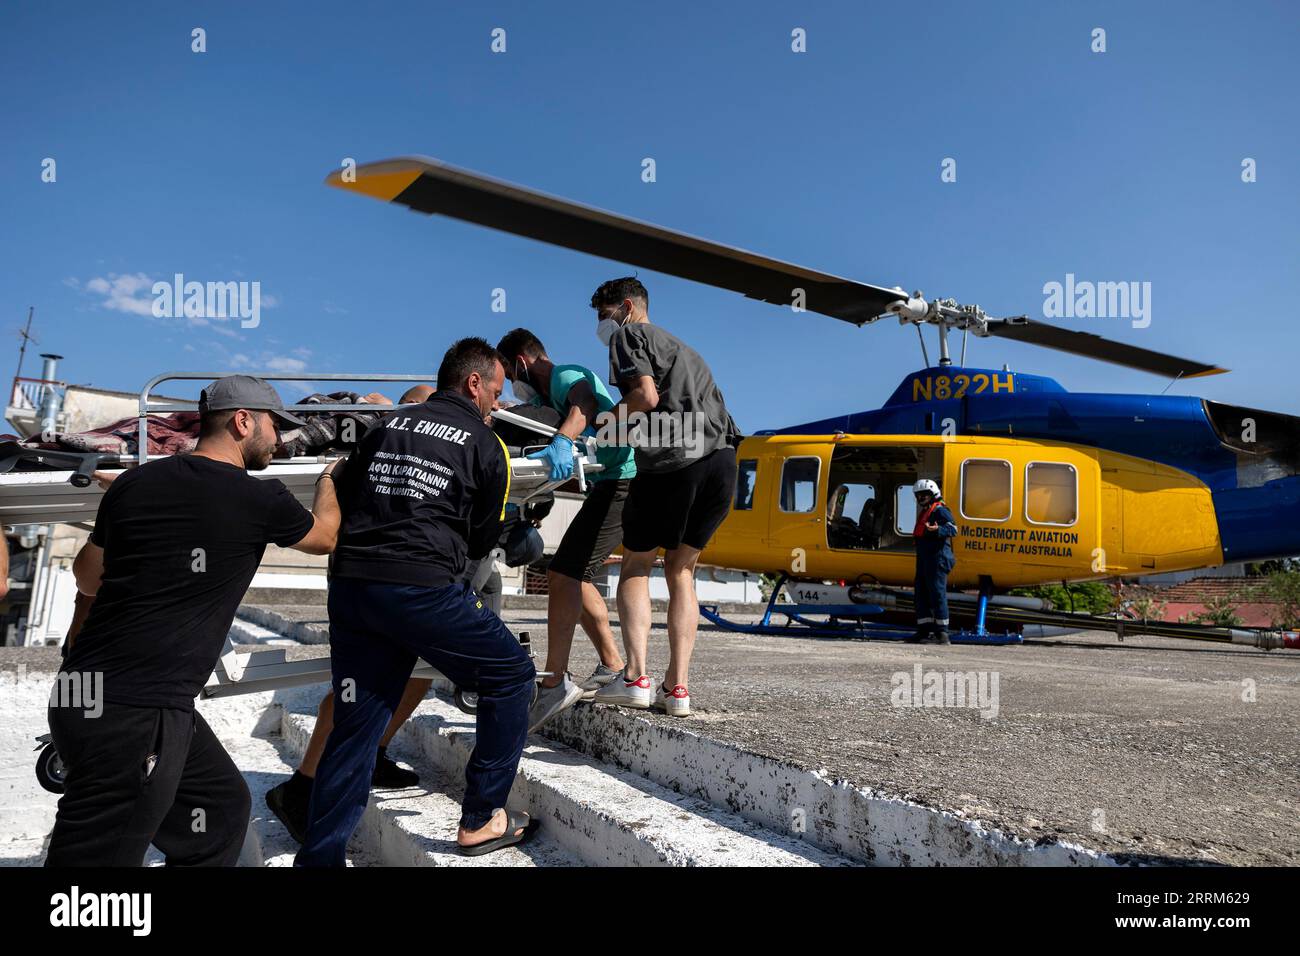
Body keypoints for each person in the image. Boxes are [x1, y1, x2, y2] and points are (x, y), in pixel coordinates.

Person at [45, 375, 341, 866]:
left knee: (219, 810)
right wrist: (330, 479)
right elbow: (326, 536)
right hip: (137, 714)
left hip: (88, 695)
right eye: (273, 426)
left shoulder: (136, 482)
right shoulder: (259, 499)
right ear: (244, 422)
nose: (279, 439)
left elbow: (87, 576)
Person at [296, 338, 537, 864]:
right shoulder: (486, 442)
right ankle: (480, 818)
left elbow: (343, 483)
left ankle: (319, 857)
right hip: (422, 587)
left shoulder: (386, 425)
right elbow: (479, 543)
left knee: (357, 725)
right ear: (474, 384)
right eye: (496, 391)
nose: (497, 403)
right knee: (512, 675)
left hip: (353, 587)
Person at [265, 384, 438, 843]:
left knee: (417, 675)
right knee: (359, 687)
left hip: (412, 570)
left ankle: (374, 752)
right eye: (423, 407)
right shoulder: (377, 440)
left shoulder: (418, 453)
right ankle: (302, 789)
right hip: (373, 575)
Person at [590, 277, 739, 717]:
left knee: (637, 563)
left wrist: (606, 423)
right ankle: (678, 688)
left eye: (604, 315)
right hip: (722, 462)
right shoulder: (687, 351)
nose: (602, 326)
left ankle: (635, 676)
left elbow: (644, 395)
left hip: (676, 460)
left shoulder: (629, 335)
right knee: (681, 570)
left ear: (628, 307)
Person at [496, 328, 636, 732]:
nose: (510, 382)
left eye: (508, 372)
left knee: (563, 574)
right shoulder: (544, 398)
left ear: (520, 362)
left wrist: (561, 439)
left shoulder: (564, 376)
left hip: (623, 479)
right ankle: (612, 664)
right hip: (611, 480)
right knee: (577, 575)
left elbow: (585, 406)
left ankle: (555, 680)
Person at [904, 478, 957, 645]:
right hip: (925, 559)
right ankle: (924, 631)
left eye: (924, 495)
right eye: (918, 496)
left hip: (937, 558)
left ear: (933, 494)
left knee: (937, 594)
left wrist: (938, 529)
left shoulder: (940, 511)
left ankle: (942, 633)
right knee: (921, 594)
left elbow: (953, 529)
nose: (920, 499)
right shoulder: (925, 511)